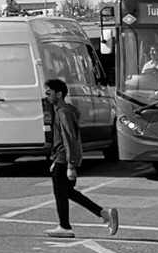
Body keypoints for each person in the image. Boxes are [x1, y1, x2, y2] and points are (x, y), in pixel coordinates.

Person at [43, 78, 118, 238]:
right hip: (62, 158)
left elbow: (69, 139)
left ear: (59, 94)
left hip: (64, 159)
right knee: (68, 192)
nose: (46, 96)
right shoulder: (63, 110)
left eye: (49, 93)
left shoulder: (62, 112)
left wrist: (70, 165)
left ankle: (65, 226)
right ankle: (104, 214)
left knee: (61, 193)